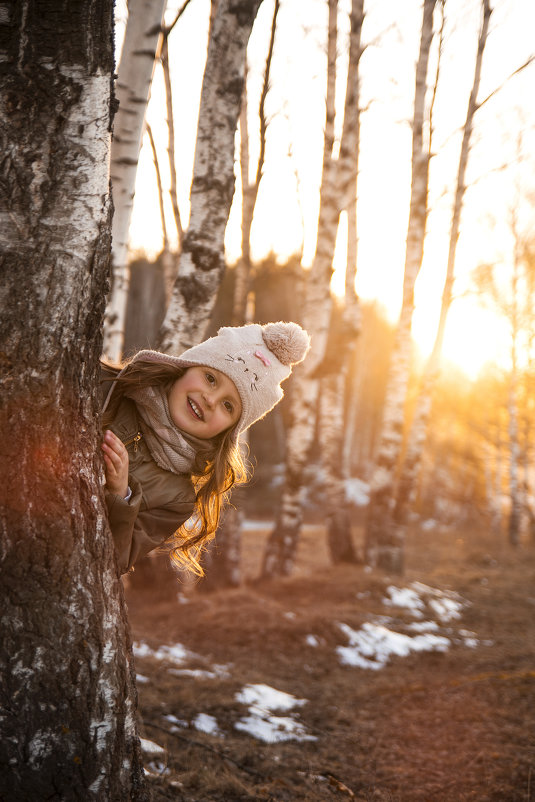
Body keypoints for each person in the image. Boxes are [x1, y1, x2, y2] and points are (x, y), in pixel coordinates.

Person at [101, 321, 310, 576]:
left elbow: (113, 560)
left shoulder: (177, 498)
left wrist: (120, 494)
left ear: (229, 432)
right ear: (187, 366)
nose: (210, 400)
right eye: (210, 378)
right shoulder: (110, 387)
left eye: (228, 406)